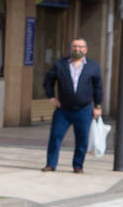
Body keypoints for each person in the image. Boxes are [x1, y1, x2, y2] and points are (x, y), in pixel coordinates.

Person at [42, 38, 104, 173]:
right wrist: (51, 96)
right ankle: (50, 164)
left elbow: (98, 87)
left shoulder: (93, 66)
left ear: (86, 49)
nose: (77, 49)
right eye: (75, 46)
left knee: (82, 140)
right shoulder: (60, 64)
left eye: (81, 47)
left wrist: (98, 106)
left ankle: (78, 166)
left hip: (84, 109)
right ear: (71, 49)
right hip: (63, 110)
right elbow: (48, 80)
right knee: (55, 137)